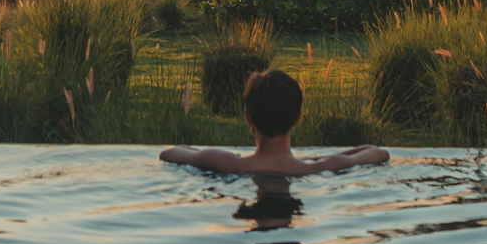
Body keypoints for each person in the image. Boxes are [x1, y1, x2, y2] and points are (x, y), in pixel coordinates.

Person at [159, 68, 390, 175]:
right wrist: (319, 159)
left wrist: (221, 156)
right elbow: (378, 153)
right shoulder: (318, 168)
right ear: (298, 118)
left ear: (248, 116)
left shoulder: (228, 164)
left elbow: (169, 153)